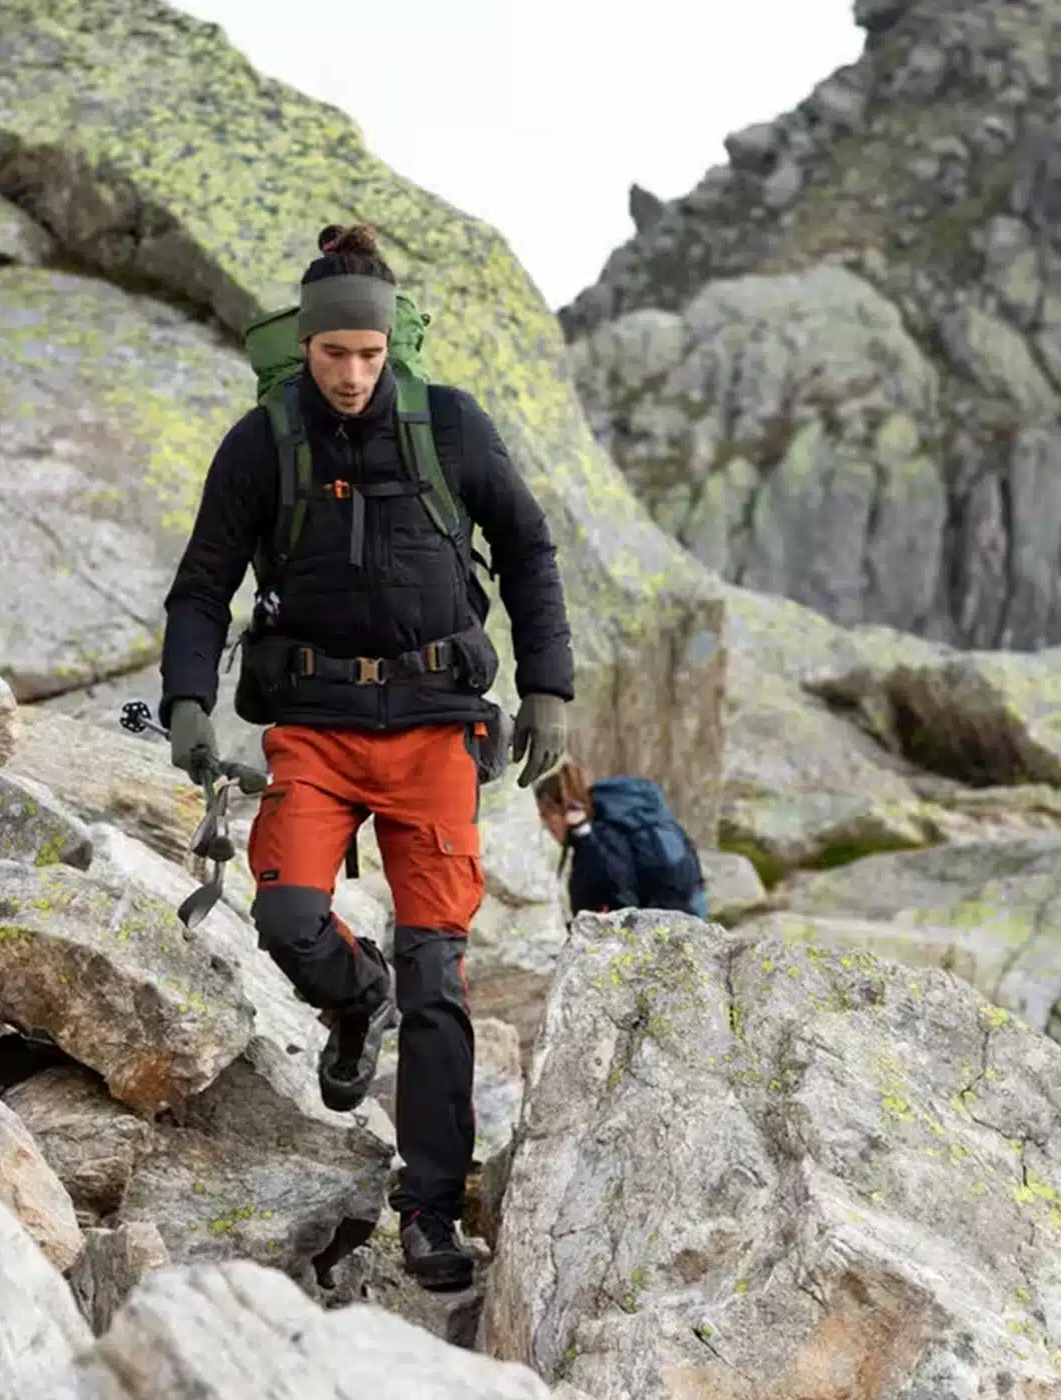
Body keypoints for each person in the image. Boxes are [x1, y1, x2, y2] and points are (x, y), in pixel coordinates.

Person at [158, 223, 574, 1291]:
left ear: (392, 348)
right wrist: (188, 703)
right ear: (303, 345)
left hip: (437, 727)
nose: (350, 373)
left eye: (368, 355)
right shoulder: (262, 443)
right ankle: (353, 998)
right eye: (332, 352)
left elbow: (527, 548)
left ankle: (430, 1211)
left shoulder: (451, 428)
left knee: (440, 975)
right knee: (288, 917)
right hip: (318, 728)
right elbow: (203, 585)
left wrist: (550, 690)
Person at [534, 758, 709, 919]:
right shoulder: (612, 826)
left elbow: (616, 885)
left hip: (671, 917)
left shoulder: (599, 836)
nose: (545, 825)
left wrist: (583, 835)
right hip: (689, 904)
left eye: (545, 815)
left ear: (563, 811)